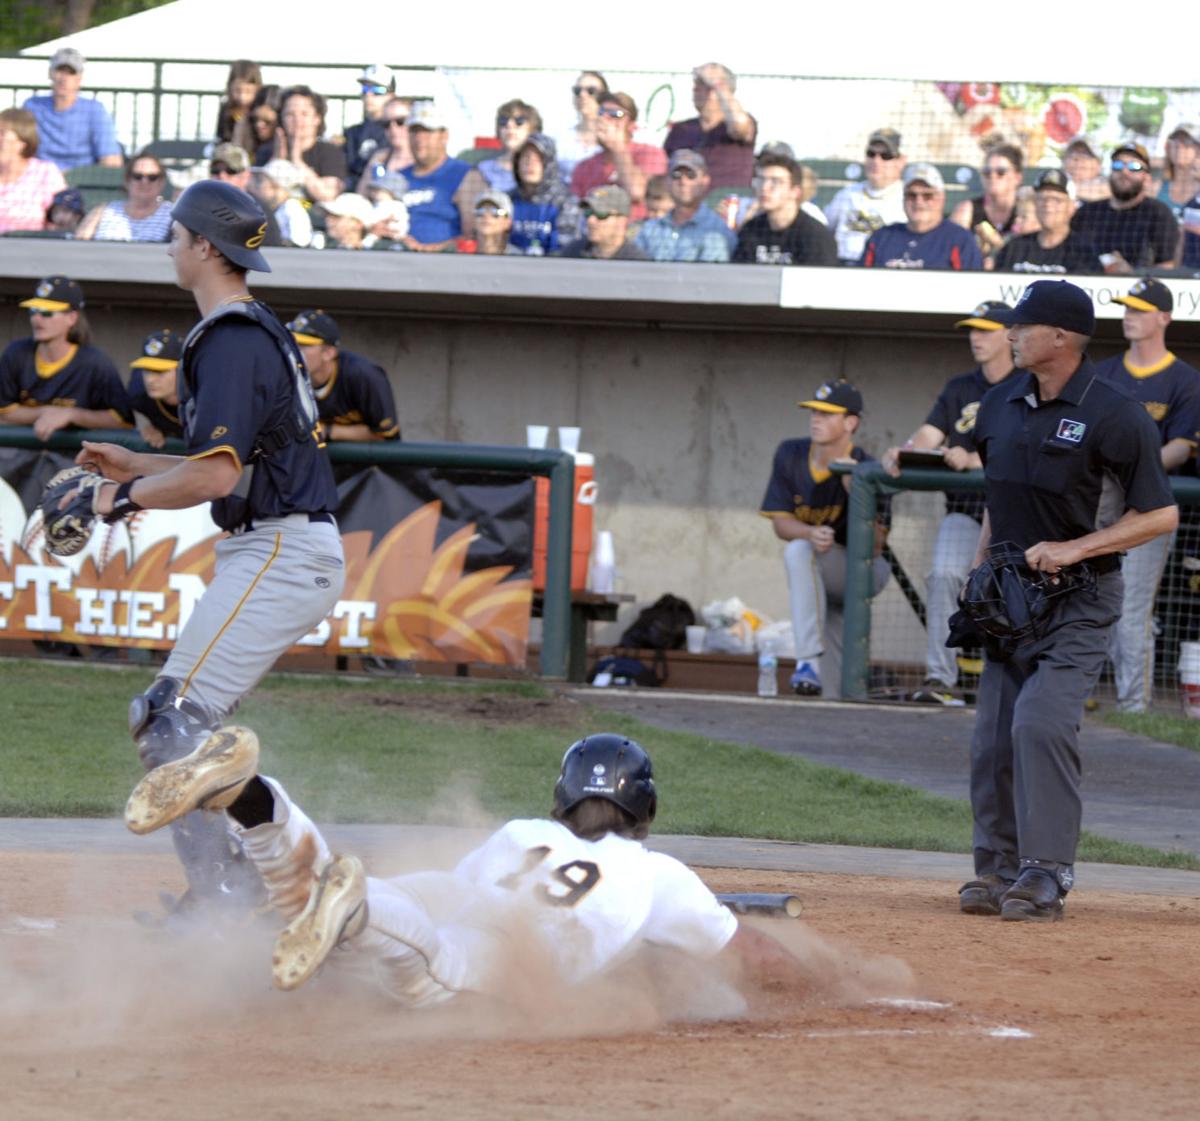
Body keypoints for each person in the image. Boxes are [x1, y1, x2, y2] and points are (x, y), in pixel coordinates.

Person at [70, 180, 343, 925]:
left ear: (201, 246)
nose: (168, 244)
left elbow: (216, 476)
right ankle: (246, 882)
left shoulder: (230, 337)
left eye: (175, 233)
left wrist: (121, 500)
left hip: (282, 548)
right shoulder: (253, 332)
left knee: (172, 722)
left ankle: (232, 896)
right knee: (176, 724)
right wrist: (134, 465)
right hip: (279, 542)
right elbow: (231, 467)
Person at [124, 727, 809, 1003]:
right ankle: (356, 908)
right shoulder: (657, 874)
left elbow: (465, 889)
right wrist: (832, 979)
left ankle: (254, 797)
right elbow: (755, 956)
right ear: (646, 806)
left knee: (322, 902)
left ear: (564, 793)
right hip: (504, 946)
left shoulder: (523, 831)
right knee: (427, 974)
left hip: (455, 891)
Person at [959, 280, 1176, 922]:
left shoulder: (1116, 413)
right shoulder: (998, 405)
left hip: (1081, 597)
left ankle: (1046, 872)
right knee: (992, 739)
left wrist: (1076, 548)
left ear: (1060, 338)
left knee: (1041, 722)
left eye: (1022, 327)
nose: (1010, 334)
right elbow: (1001, 502)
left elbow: (1159, 514)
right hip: (1009, 600)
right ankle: (997, 871)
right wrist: (978, 572)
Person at [880, 301, 1017, 706]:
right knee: (943, 574)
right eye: (972, 330)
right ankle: (941, 679)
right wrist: (903, 451)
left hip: (1021, 519)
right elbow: (929, 434)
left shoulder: (1027, 383)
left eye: (985, 330)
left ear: (1010, 335)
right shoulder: (961, 387)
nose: (976, 337)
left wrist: (976, 461)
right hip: (967, 512)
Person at [1093, 278, 1200, 713]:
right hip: (1100, 501)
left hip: (1148, 503)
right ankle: (1077, 694)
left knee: (1132, 605)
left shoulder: (1186, 379)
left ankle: (1133, 706)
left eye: (1140, 309)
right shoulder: (1104, 372)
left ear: (1164, 318)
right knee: (1087, 597)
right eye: (1127, 308)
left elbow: (1181, 447)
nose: (1130, 316)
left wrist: (1132, 463)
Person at [759, 381, 890, 699]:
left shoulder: (867, 465)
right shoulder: (790, 453)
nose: (816, 418)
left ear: (851, 422)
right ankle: (818, 678)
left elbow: (877, 545)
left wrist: (854, 489)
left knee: (801, 552)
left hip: (864, 569)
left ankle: (806, 661)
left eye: (828, 413)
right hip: (819, 572)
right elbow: (780, 522)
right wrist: (809, 531)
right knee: (834, 689)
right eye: (814, 411)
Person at [0, 275, 131, 441]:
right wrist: (45, 412)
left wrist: (72, 415)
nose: (37, 319)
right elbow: (4, 411)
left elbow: (122, 420)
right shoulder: (16, 353)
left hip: (75, 457)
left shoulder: (96, 363)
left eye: (47, 313)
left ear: (72, 318)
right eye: (34, 311)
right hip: (21, 457)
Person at [287, 309, 400, 441]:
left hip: (369, 459)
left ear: (328, 353)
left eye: (304, 345)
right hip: (319, 459)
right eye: (292, 343)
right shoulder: (287, 378)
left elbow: (384, 434)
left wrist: (327, 431)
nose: (295, 351)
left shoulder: (362, 375)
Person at [1069, 143, 1178, 274]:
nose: (1124, 172)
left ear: (1147, 178)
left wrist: (1131, 274)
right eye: (1118, 165)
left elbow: (1167, 267)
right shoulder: (1088, 213)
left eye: (1134, 167)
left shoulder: (1159, 214)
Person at [397, 102, 486, 251]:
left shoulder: (466, 175)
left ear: (444, 136)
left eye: (427, 131)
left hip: (449, 261)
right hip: (398, 258)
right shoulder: (397, 177)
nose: (420, 138)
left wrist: (435, 249)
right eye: (415, 131)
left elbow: (473, 233)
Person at [861, 164, 983, 270]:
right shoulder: (881, 238)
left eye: (927, 195)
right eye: (911, 195)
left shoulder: (960, 240)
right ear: (903, 199)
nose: (918, 202)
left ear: (941, 198)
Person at [569, 92, 667, 222]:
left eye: (616, 114)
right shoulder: (584, 167)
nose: (605, 119)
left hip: (637, 232)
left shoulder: (650, 154)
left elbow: (637, 192)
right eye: (601, 112)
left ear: (632, 125)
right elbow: (575, 213)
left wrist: (618, 147)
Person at [22, 47, 122, 171]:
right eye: (60, 70)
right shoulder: (32, 106)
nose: (64, 78)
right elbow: (18, 150)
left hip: (81, 182)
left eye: (71, 72)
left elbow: (110, 158)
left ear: (79, 79)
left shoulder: (95, 110)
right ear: (50, 74)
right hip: (39, 181)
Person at [663, 62, 757, 190]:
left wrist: (718, 86)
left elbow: (739, 124)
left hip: (728, 203)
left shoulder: (737, 124)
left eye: (704, 85)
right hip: (691, 206)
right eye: (696, 85)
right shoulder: (681, 130)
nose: (695, 90)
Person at [733, 153, 837, 266]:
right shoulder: (751, 230)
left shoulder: (816, 237)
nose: (764, 188)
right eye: (761, 180)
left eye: (776, 182)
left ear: (795, 192)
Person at [992, 170, 1102, 275]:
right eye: (1041, 199)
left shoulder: (1084, 251)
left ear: (1071, 207)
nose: (1048, 205)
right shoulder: (1015, 247)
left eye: (1056, 200)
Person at [823, 128, 906, 265]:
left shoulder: (908, 199)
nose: (876, 161)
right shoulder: (847, 194)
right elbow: (825, 229)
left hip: (881, 268)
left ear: (901, 161)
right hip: (840, 265)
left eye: (886, 156)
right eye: (871, 154)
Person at [635, 149, 734, 262]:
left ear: (705, 181)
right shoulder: (650, 229)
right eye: (676, 175)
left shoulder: (716, 231)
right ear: (668, 181)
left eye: (691, 175)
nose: (683, 181)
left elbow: (710, 277)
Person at [257, 86, 347, 205]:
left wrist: (297, 161)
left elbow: (327, 195)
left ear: (317, 118)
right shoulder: (267, 150)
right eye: (290, 114)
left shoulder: (330, 153)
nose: (297, 120)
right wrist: (276, 159)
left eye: (304, 114)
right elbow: (258, 195)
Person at [76, 152, 173, 242]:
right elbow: (80, 243)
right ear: (127, 181)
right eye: (137, 176)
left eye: (152, 177)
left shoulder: (173, 214)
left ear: (161, 182)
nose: (144, 182)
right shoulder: (103, 211)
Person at [510, 132, 580, 256]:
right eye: (526, 158)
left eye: (538, 159)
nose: (530, 165)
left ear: (549, 165)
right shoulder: (508, 200)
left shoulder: (566, 202)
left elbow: (565, 249)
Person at [949, 143, 1024, 259]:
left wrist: (999, 245)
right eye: (986, 172)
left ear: (1017, 178)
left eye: (1001, 172)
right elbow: (951, 249)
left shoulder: (1026, 211)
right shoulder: (967, 210)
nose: (993, 177)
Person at [0, 107, 67, 234]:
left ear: (22, 142)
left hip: (29, 245)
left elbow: (58, 220)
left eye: (2, 133)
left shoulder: (45, 172)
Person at [128, 328, 185, 448]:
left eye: (160, 371)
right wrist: (157, 426)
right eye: (147, 370)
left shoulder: (203, 393)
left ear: (182, 370)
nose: (150, 380)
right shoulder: (139, 394)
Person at [557, 185, 648, 260]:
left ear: (622, 221)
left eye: (600, 214)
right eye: (588, 213)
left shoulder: (636, 260)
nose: (590, 220)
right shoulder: (572, 252)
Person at [344, 64, 397, 186]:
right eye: (365, 89)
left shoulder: (402, 130)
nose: (368, 95)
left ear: (391, 95)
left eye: (377, 90)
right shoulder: (352, 133)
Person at [478, 100, 541, 195]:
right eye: (503, 121)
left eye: (519, 121)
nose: (510, 125)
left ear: (533, 128)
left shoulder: (549, 170)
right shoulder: (484, 170)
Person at [355, 97, 413, 195]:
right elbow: (361, 196)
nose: (393, 128)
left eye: (400, 121)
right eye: (386, 124)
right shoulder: (379, 158)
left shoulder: (426, 160)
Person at [555, 71, 607, 179]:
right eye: (577, 91)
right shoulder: (560, 137)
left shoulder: (613, 136)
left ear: (605, 96)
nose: (583, 95)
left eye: (591, 91)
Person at [251, 159, 312, 248]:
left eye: (262, 183)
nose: (258, 188)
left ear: (278, 188)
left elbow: (299, 246)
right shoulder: (275, 208)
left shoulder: (292, 209)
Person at [214, 60, 262, 154]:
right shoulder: (226, 109)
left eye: (248, 91)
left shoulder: (260, 109)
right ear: (230, 87)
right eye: (237, 90)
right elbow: (221, 137)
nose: (242, 97)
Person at [470, 189, 522, 255]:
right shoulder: (460, 252)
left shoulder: (519, 256)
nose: (486, 215)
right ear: (473, 220)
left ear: (508, 222)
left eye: (495, 212)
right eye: (480, 211)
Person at [1061, 137, 1109, 203]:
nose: (1078, 159)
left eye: (1086, 155)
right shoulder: (1049, 180)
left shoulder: (1110, 187)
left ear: (1099, 165)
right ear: (1064, 162)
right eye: (1072, 154)